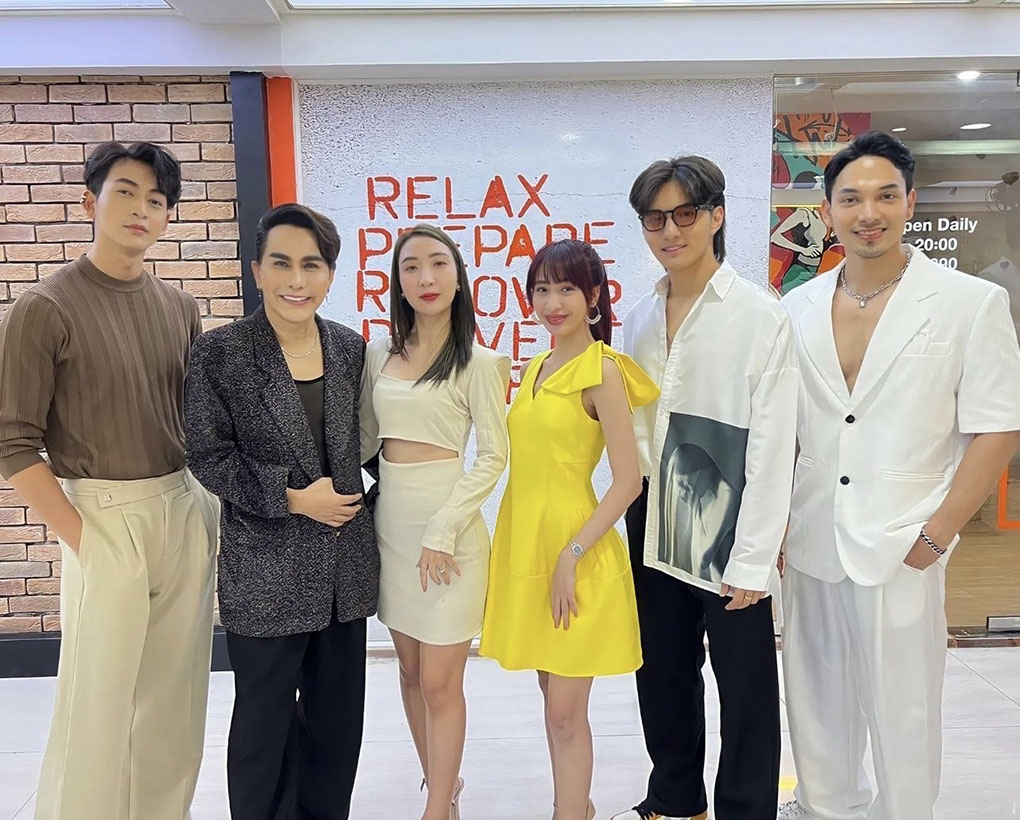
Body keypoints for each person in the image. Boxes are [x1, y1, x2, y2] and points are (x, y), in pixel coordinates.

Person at [778, 131, 1020, 820]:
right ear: (828, 211)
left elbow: (998, 427)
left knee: (904, 712)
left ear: (911, 202)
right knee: (815, 704)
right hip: (812, 537)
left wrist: (937, 534)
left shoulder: (968, 302)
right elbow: (785, 429)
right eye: (851, 199)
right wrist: (777, 523)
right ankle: (826, 809)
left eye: (885, 196)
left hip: (905, 540)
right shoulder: (795, 307)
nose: (869, 213)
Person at [0, 142, 217, 820]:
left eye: (156, 200)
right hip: (102, 515)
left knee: (176, 702)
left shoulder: (180, 307)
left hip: (182, 506)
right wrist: (87, 542)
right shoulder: (45, 307)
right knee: (95, 705)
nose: (141, 209)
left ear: (168, 216)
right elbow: (13, 444)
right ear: (90, 202)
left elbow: (194, 419)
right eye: (125, 192)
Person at [612, 156, 798, 820]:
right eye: (655, 219)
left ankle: (745, 808)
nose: (670, 231)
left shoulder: (760, 315)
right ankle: (674, 797)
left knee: (744, 684)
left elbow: (774, 443)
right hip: (653, 513)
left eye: (685, 214)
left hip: (728, 517)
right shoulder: (638, 317)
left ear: (717, 216)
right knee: (661, 669)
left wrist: (754, 554)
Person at [185, 203, 377, 820]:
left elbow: (372, 444)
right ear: (257, 270)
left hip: (344, 574)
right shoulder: (220, 353)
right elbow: (207, 455)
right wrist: (292, 498)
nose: (297, 280)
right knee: (262, 728)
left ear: (331, 274)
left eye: (312, 265)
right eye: (282, 263)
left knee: (337, 729)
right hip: (265, 572)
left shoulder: (349, 348)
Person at [480, 239, 658, 820]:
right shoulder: (535, 367)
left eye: (566, 289)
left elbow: (627, 481)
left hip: (576, 551)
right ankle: (576, 805)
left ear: (594, 296)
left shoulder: (602, 371)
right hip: (526, 544)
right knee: (549, 696)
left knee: (565, 710)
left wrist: (572, 554)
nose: (552, 303)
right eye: (541, 289)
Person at [359, 223, 509, 820]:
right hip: (391, 528)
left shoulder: (480, 361)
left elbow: (493, 456)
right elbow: (365, 440)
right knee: (410, 673)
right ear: (398, 281)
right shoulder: (378, 353)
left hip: (449, 534)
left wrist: (444, 528)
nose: (426, 277)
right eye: (412, 266)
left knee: (442, 682)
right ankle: (441, 786)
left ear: (459, 276)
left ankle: (437, 810)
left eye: (439, 263)